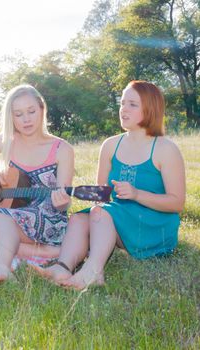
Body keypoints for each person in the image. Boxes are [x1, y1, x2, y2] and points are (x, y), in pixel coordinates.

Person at [33, 80, 185, 290]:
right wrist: (75, 195)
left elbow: (177, 203)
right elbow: (102, 196)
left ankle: (94, 272)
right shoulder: (111, 145)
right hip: (121, 220)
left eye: (132, 104)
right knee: (79, 218)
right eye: (122, 103)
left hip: (155, 225)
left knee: (99, 214)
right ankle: (62, 267)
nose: (124, 109)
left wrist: (136, 194)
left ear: (150, 107)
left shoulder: (165, 149)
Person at [0, 84, 74, 285]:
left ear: (42, 109)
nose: (26, 119)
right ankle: (46, 252)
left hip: (48, 219)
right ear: (10, 117)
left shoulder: (62, 149)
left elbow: (63, 205)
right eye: (18, 114)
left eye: (31, 111)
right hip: (12, 213)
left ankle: (1, 266)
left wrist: (62, 202)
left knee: (1, 216)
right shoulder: (6, 140)